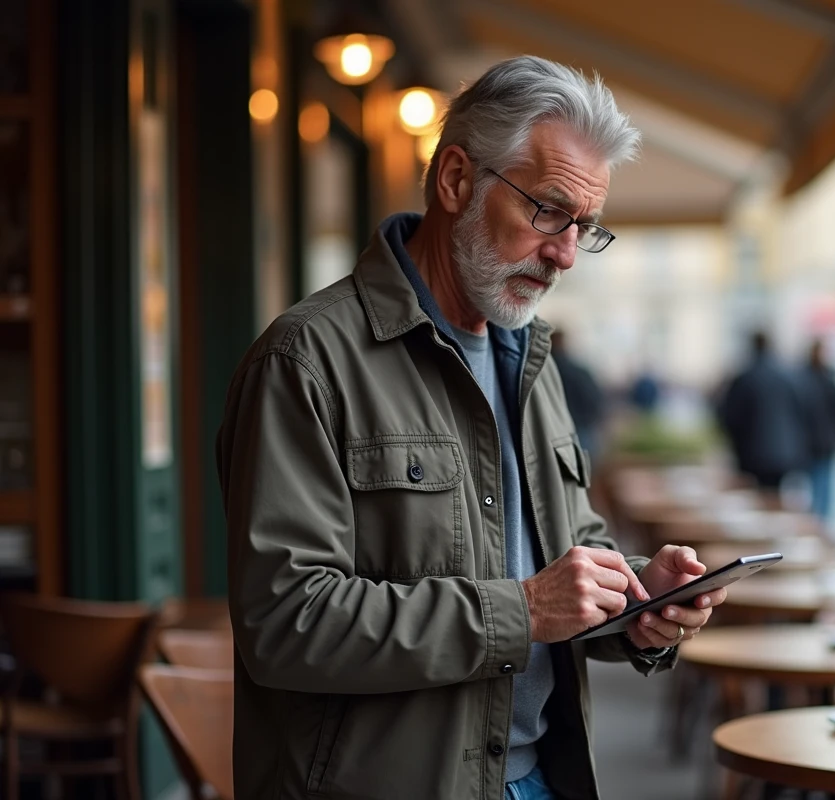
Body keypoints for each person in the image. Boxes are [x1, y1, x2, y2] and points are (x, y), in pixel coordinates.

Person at [216, 56, 727, 800]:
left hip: (537, 779)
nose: (564, 254)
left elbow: (568, 551)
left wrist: (637, 602)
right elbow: (287, 621)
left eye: (584, 228)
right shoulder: (306, 362)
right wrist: (519, 610)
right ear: (456, 180)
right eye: (547, 212)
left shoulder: (532, 356)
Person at [716, 331, 810, 491]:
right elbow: (802, 412)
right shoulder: (787, 375)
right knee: (774, 494)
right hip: (783, 451)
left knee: (756, 497)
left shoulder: (745, 377)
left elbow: (730, 416)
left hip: (753, 452)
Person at [798, 338, 835, 521]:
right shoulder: (806, 379)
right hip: (813, 441)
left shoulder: (826, 379)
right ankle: (817, 520)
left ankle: (821, 521)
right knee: (817, 484)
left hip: (825, 441)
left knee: (825, 485)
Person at [550, 329, 607, 461]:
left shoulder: (540, 371)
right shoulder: (579, 371)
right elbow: (596, 400)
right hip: (580, 430)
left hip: (552, 432)